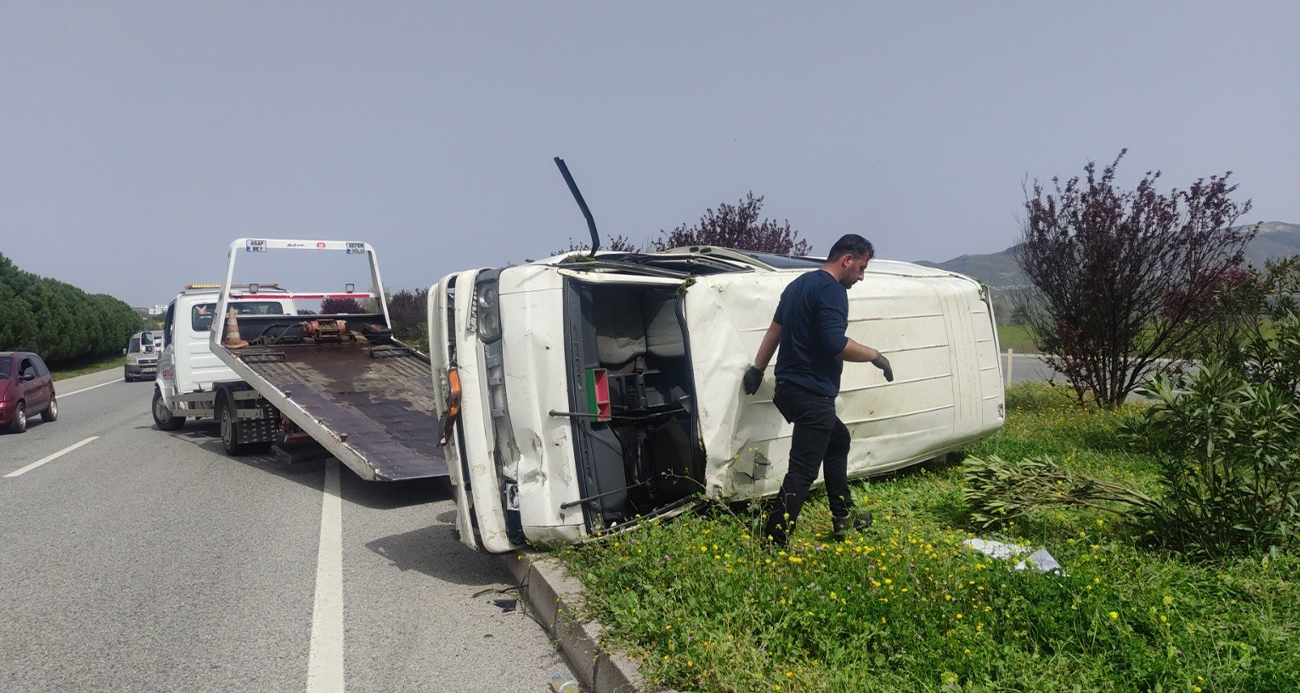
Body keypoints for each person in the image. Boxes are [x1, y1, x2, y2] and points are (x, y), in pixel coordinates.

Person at [742, 234, 893, 546]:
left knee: (838, 440)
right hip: (812, 394)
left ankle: (843, 516)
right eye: (862, 268)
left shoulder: (798, 286)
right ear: (847, 259)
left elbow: (775, 330)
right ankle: (774, 537)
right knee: (803, 470)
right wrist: (875, 356)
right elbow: (835, 344)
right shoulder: (833, 291)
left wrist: (758, 368)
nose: (861, 276)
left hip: (788, 390)